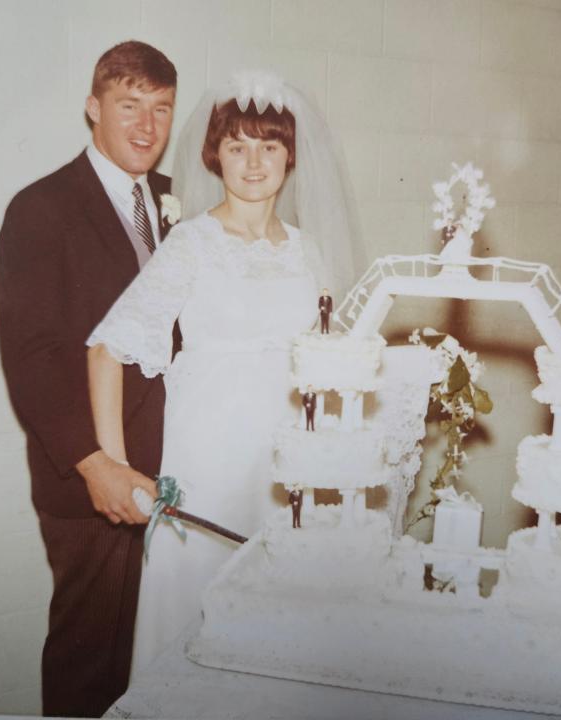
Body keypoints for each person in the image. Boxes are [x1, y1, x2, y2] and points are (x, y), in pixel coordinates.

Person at [86, 71, 363, 675]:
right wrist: (113, 464)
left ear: (291, 155)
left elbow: (332, 355)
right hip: (211, 451)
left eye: (269, 146)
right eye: (237, 147)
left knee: (285, 616)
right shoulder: (191, 242)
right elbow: (107, 347)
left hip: (289, 456)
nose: (254, 162)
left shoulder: (307, 248)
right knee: (198, 611)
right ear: (216, 155)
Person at [0, 41, 177, 717]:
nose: (146, 126)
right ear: (93, 107)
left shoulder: (167, 200)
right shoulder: (41, 208)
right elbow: (32, 355)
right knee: (90, 664)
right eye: (129, 105)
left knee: (156, 663)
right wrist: (95, 465)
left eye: (160, 109)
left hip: (169, 475)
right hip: (91, 485)